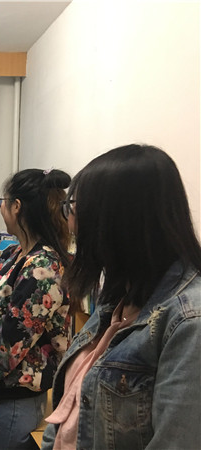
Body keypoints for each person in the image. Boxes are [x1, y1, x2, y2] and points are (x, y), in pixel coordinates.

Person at [42, 144, 201, 449]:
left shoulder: (188, 322)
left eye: (74, 207)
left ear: (118, 220)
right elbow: (67, 409)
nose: (70, 222)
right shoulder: (115, 298)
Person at [0, 168, 72, 449]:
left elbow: (10, 343)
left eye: (2, 203)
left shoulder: (44, 267)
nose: (1, 209)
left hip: (12, 398)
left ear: (16, 206)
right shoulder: (13, 255)